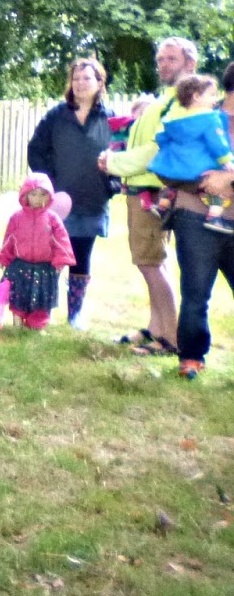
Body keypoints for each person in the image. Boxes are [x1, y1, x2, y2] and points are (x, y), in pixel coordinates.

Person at [97, 37, 198, 356]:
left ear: (190, 63)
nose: (163, 65)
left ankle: (170, 339)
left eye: (171, 59)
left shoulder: (181, 101)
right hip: (143, 188)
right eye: (160, 59)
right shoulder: (166, 98)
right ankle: (156, 327)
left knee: (150, 262)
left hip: (153, 191)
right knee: (153, 261)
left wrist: (114, 163)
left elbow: (157, 149)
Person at [26, 57, 114, 329]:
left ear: (99, 82)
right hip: (58, 203)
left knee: (80, 258)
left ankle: (75, 314)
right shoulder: (57, 116)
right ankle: (41, 312)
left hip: (92, 201)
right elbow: (36, 150)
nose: (80, 83)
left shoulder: (110, 118)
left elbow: (122, 155)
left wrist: (111, 184)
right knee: (50, 258)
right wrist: (48, 184)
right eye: (75, 78)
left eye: (86, 78)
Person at [160, 62, 234, 380]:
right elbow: (169, 165)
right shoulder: (196, 117)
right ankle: (191, 357)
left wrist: (228, 179)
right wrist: (205, 182)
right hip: (194, 215)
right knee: (195, 292)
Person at [149, 75, 234, 233]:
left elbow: (160, 137)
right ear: (196, 96)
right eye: (212, 95)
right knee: (215, 188)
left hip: (169, 170)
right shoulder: (210, 118)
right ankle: (214, 218)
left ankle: (162, 206)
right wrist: (227, 161)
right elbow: (217, 142)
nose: (216, 99)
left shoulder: (173, 118)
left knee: (175, 186)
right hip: (195, 169)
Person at [0, 174, 77, 331]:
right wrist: (4, 257)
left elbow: (61, 240)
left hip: (44, 268)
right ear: (25, 195)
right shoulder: (16, 218)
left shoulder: (52, 218)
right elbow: (9, 239)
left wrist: (61, 260)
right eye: (33, 194)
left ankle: (37, 325)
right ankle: (17, 323)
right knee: (19, 295)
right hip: (20, 266)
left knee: (41, 299)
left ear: (49, 196)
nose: (38, 199)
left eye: (42, 194)